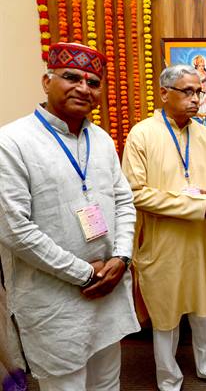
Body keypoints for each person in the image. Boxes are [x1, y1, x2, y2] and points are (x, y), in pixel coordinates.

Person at [0, 42, 140, 390]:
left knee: (107, 383)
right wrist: (83, 274)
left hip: (107, 293)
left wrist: (122, 257)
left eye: (93, 82)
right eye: (71, 77)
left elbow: (124, 201)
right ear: (47, 81)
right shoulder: (12, 142)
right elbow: (15, 230)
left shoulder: (102, 140)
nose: (83, 88)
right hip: (55, 303)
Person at [121, 64, 206, 390]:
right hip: (163, 241)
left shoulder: (202, 134)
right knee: (165, 313)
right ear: (164, 94)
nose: (196, 99)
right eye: (188, 91)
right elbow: (136, 193)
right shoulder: (142, 134)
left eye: (199, 92)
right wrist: (194, 206)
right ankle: (169, 379)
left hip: (201, 237)